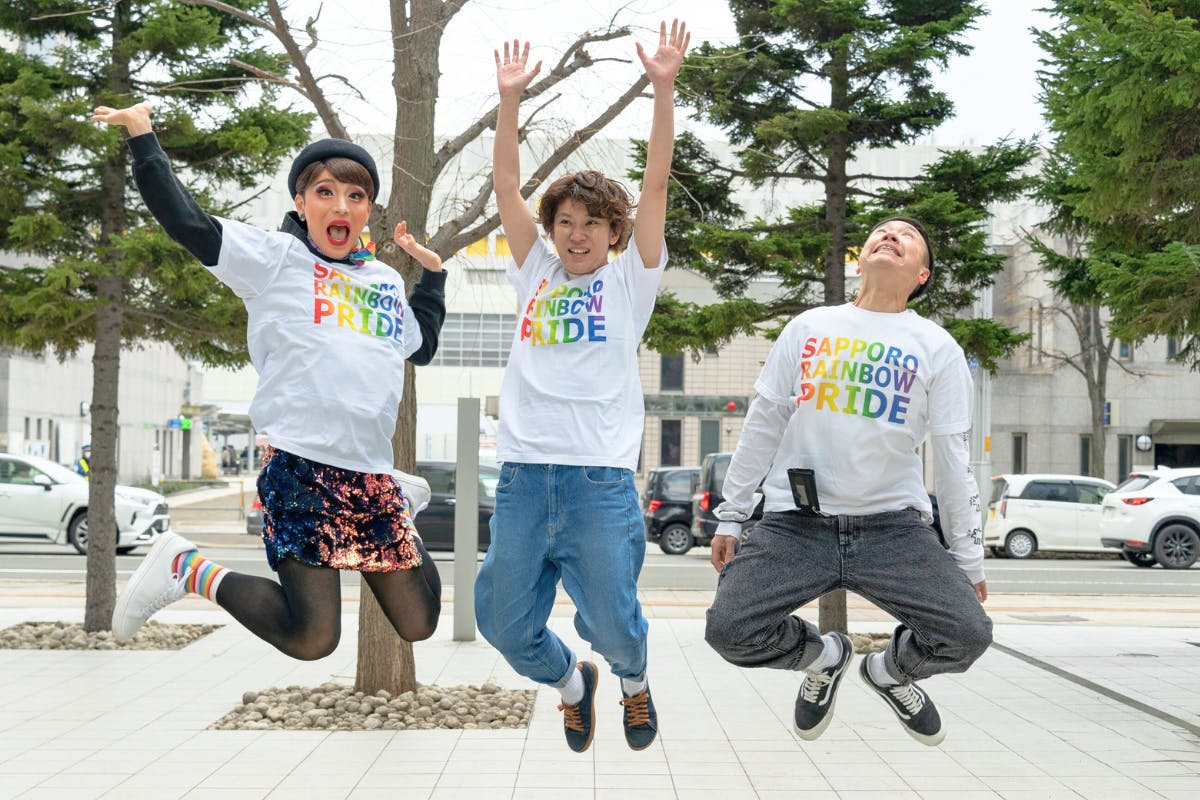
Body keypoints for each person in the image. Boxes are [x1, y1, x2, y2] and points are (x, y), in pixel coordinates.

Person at [91, 101, 447, 657]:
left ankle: (401, 501)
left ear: (367, 211)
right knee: (313, 638)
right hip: (302, 467)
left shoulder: (382, 280)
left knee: (419, 621)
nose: (341, 206)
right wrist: (143, 137)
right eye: (325, 192)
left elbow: (419, 346)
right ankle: (186, 567)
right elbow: (188, 223)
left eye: (356, 196)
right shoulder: (275, 259)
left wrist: (433, 277)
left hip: (371, 472)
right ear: (301, 203)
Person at [473, 21, 689, 754]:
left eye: (593, 223)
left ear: (614, 234)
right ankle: (572, 683)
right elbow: (506, 184)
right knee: (503, 623)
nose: (576, 234)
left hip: (598, 478)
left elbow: (655, 182)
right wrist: (510, 102)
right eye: (565, 221)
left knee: (614, 623)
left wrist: (663, 89)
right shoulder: (534, 270)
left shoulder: (631, 281)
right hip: (524, 476)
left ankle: (633, 679)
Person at [703, 217, 992, 747]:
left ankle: (889, 672)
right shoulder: (810, 327)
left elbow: (954, 459)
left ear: (922, 275)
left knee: (968, 634)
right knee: (728, 630)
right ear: (860, 259)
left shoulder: (937, 347)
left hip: (892, 528)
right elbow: (764, 423)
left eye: (907, 237)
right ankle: (826, 657)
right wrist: (732, 514)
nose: (891, 236)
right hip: (797, 524)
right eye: (882, 231)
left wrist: (968, 558)